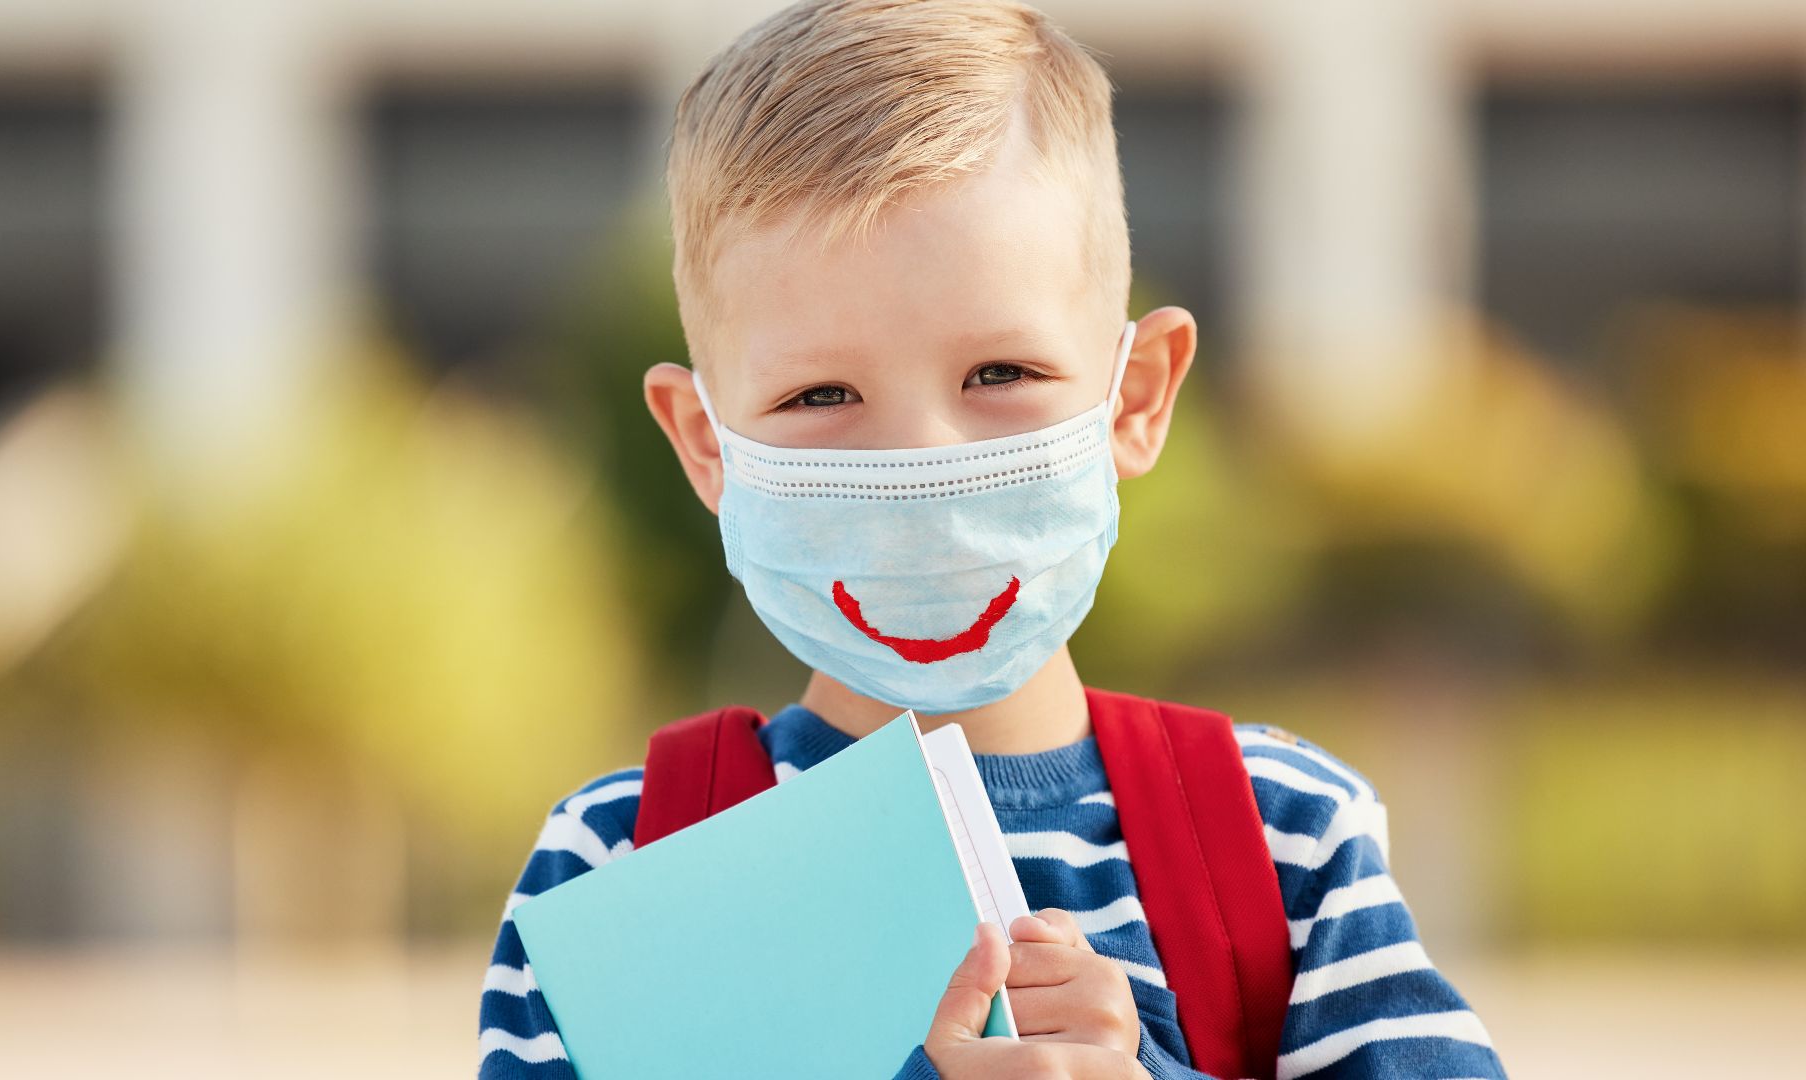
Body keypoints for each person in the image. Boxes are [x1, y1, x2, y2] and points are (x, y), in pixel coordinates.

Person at [479, 2, 1505, 1077]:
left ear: (1135, 398)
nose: (920, 457)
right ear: (706, 445)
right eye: (823, 392)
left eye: (999, 375)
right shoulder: (615, 871)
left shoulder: (1286, 845)